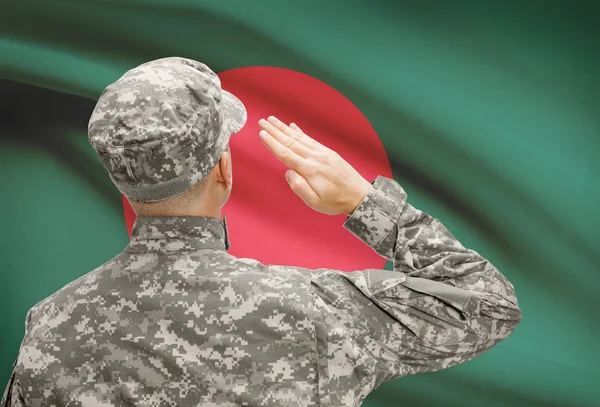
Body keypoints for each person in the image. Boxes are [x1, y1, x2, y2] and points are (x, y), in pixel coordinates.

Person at [1, 57, 522, 407]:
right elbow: (487, 304)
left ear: (120, 174)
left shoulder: (50, 327)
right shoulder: (317, 311)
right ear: (223, 168)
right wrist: (367, 204)